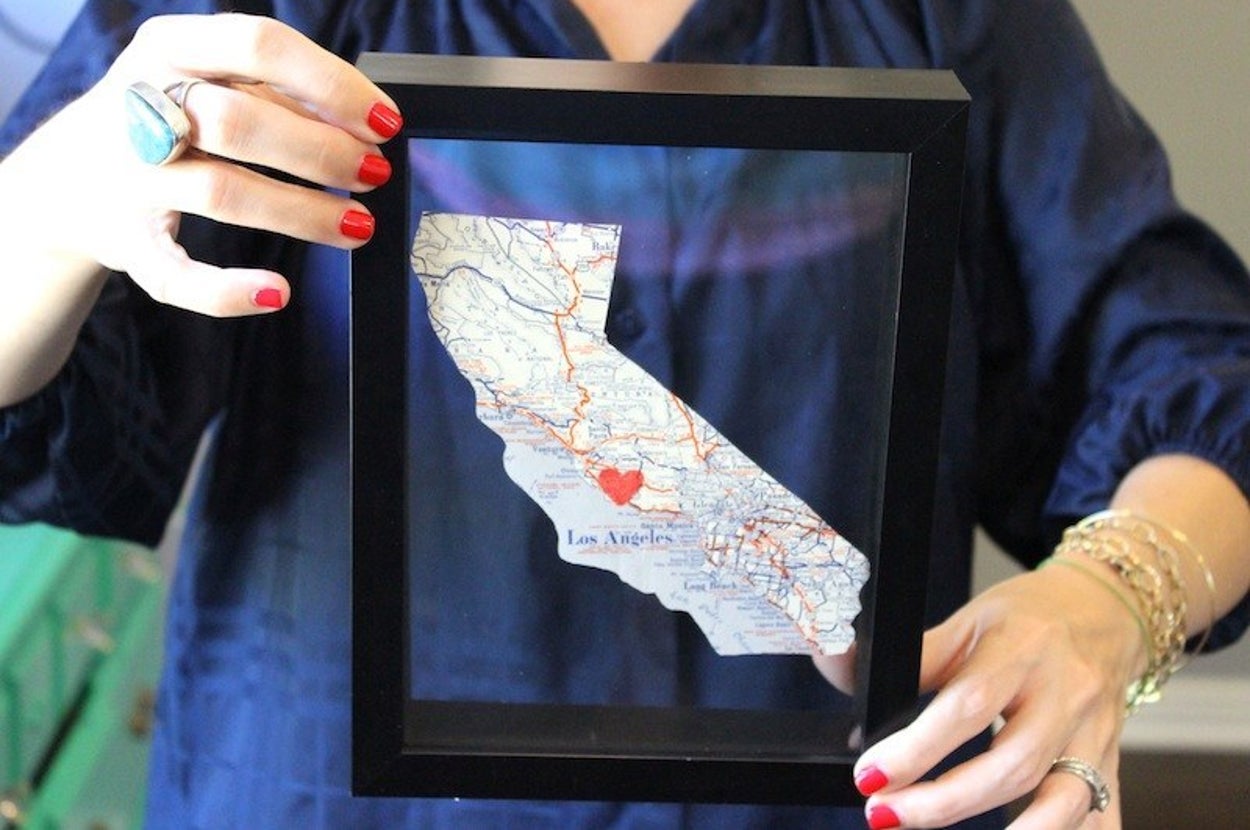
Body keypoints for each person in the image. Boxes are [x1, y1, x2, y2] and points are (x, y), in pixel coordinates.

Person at [2, 1, 1248, 827]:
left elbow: (1191, 364)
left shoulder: (948, 15)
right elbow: (55, 412)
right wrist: (46, 214)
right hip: (321, 789)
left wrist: (1116, 598)